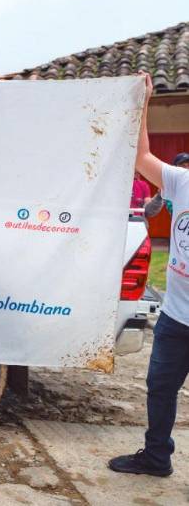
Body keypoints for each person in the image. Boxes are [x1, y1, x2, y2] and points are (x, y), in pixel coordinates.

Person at [109, 73, 189, 478]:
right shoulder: (181, 181)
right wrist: (144, 102)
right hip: (176, 315)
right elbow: (142, 157)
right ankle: (157, 457)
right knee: (159, 387)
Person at [144, 152, 189, 218]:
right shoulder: (170, 185)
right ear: (174, 169)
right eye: (183, 166)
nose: (187, 169)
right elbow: (148, 212)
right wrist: (159, 196)